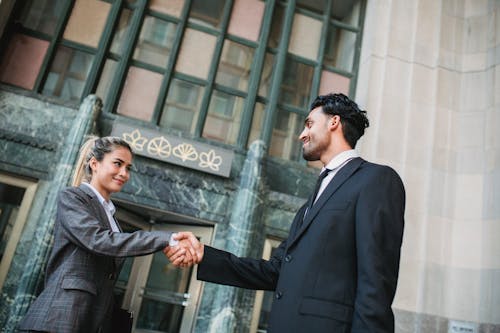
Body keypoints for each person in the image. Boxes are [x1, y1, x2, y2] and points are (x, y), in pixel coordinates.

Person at [167, 93, 406, 332]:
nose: (301, 134)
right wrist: (204, 254)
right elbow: (276, 270)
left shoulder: (376, 180)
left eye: (309, 124)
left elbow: (376, 282)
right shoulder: (311, 202)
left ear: (334, 122)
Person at [18, 136, 197, 333]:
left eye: (128, 168)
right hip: (61, 317)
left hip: (90, 318)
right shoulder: (73, 197)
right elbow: (98, 240)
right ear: (94, 163)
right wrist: (166, 239)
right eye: (118, 164)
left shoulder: (110, 216)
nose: (124, 173)